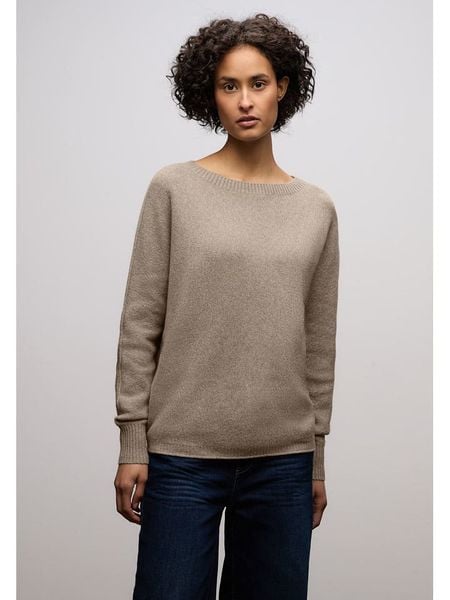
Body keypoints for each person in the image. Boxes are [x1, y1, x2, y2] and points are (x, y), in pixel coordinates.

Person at [113, 13, 340, 600]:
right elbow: (141, 321)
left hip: (284, 462)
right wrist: (133, 441)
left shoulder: (316, 209)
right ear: (208, 94)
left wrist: (315, 459)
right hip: (181, 456)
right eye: (228, 85)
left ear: (283, 87)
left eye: (258, 83)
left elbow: (318, 344)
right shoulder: (173, 189)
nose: (244, 101)